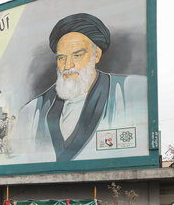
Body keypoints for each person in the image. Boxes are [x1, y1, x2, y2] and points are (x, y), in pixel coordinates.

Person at [15, 13, 147, 162]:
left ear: (96, 55)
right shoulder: (32, 112)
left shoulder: (130, 91)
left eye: (77, 55)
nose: (67, 65)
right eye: (61, 58)